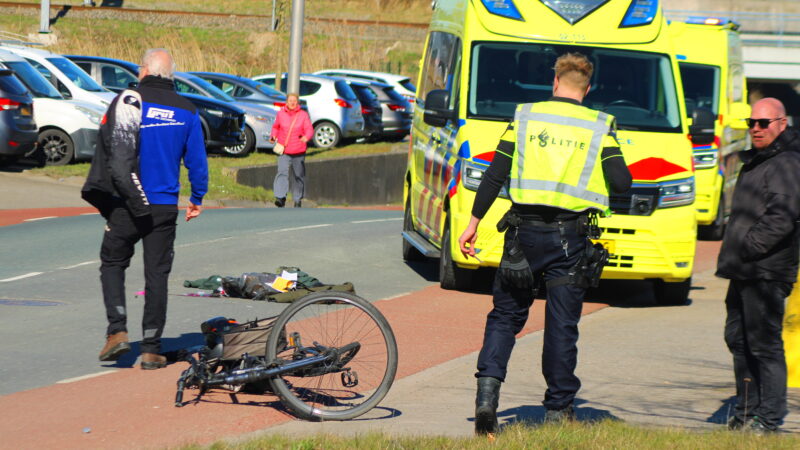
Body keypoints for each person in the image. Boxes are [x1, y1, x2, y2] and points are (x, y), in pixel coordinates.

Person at [458, 52, 632, 435]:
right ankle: (558, 410)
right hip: (569, 241)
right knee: (561, 325)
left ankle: (486, 399)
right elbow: (621, 183)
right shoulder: (600, 125)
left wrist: (472, 224)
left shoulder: (524, 116)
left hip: (522, 236)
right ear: (588, 89)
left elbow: (494, 175)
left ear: (554, 83)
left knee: (505, 317)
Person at [81, 48, 208, 370]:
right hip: (164, 206)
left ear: (145, 70)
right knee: (157, 275)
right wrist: (197, 198)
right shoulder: (188, 110)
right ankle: (151, 349)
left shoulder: (130, 100)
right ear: (170, 75)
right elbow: (197, 162)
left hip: (128, 202)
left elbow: (111, 149)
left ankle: (117, 330)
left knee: (112, 261)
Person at [717, 97, 800, 433]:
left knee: (763, 344)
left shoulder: (787, 162)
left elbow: (783, 216)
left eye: (763, 123)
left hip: (765, 270)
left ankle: (768, 418)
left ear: (781, 122)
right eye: (752, 123)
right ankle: (746, 411)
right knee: (738, 338)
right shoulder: (763, 159)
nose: (756, 128)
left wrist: (749, 246)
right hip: (745, 269)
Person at [271, 93, 313, 208]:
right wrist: (273, 136)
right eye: (290, 100)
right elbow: (276, 127)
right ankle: (280, 197)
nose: (292, 103)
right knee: (282, 172)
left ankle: (297, 199)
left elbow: (309, 129)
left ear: (297, 102)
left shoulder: (303, 115)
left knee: (298, 175)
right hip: (284, 149)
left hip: (298, 150)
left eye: (294, 101)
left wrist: (306, 137)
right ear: (286, 102)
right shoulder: (280, 114)